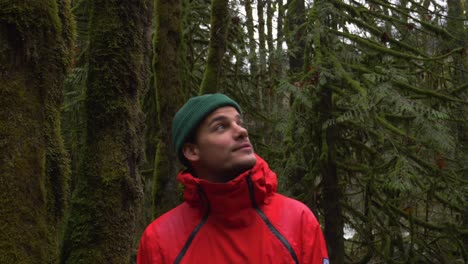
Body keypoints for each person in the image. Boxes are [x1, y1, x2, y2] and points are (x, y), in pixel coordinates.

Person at [137, 94, 329, 264]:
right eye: (221, 126)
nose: (241, 131)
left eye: (240, 123)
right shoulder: (159, 240)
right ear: (192, 150)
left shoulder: (298, 221)